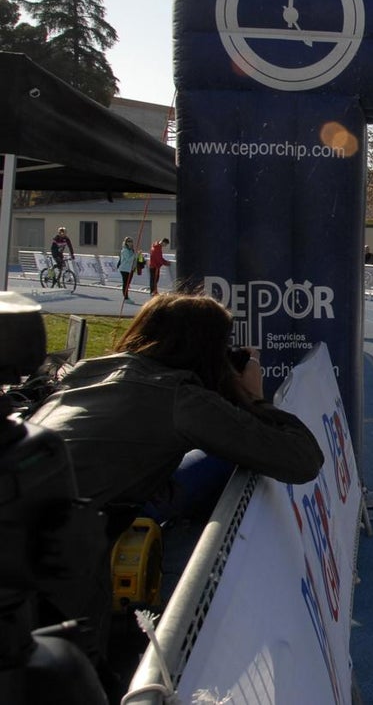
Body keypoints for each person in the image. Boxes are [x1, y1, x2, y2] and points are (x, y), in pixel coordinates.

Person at [27, 292, 324, 695]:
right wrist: (251, 397)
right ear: (207, 350)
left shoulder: (88, 371)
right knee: (76, 681)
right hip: (53, 556)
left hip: (31, 526)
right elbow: (301, 459)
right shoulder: (179, 398)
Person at [117, 236, 136, 302]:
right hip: (125, 269)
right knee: (126, 283)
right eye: (128, 241)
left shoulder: (131, 250)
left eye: (131, 241)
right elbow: (128, 259)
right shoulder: (124, 250)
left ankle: (126, 296)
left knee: (128, 284)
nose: (130, 243)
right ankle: (126, 298)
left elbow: (134, 259)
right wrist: (135, 255)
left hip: (130, 269)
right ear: (126, 242)